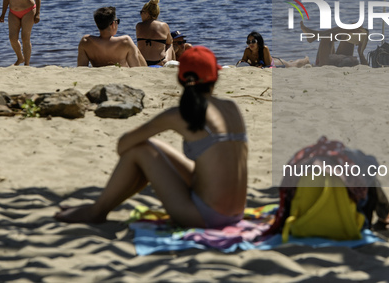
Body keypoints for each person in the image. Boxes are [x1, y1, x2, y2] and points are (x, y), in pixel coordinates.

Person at [55, 46, 248, 228]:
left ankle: (96, 211)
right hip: (236, 213)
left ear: (181, 79)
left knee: (139, 150)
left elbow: (123, 146)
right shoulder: (232, 108)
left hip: (205, 217)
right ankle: (98, 208)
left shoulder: (180, 113)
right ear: (215, 78)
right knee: (152, 145)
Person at [77, 7, 147, 67]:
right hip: (120, 76)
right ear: (113, 24)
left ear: (96, 24)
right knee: (135, 48)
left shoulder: (85, 41)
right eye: (117, 21)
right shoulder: (125, 41)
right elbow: (136, 69)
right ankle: (147, 69)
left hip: (99, 75)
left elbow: (81, 68)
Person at [300, 21, 368, 67]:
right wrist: (361, 52)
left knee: (327, 37)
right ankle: (315, 35)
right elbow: (366, 68)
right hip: (344, 60)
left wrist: (360, 52)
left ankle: (315, 35)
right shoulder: (352, 62)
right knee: (353, 27)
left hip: (326, 63)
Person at [136, 0, 175, 66]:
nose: (140, 14)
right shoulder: (164, 25)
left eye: (141, 12)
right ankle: (173, 64)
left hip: (143, 62)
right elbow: (169, 42)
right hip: (160, 62)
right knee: (170, 44)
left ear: (147, 14)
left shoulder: (139, 26)